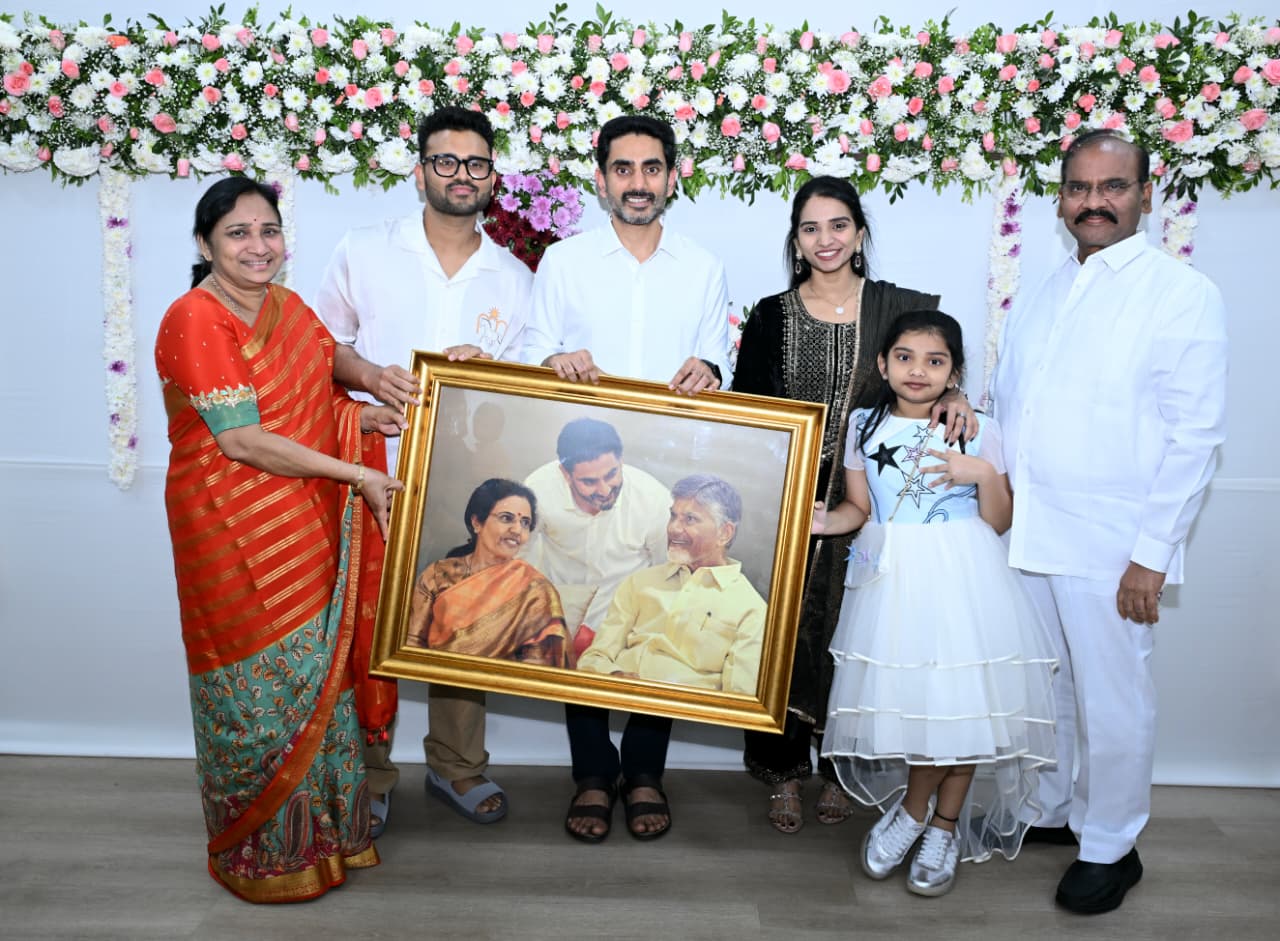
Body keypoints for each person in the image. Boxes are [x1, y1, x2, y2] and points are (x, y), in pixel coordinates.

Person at [990, 130, 1228, 914]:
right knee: (1051, 685)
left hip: (1114, 543)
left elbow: (1196, 436)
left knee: (1114, 697)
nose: (1094, 202)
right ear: (1060, 198)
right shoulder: (1046, 290)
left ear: (1146, 194)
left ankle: (1112, 845)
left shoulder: (1179, 293)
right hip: (1032, 532)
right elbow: (1013, 404)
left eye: (1113, 186)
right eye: (1079, 187)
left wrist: (1151, 555)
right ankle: (1057, 805)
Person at [155, 178, 403, 902]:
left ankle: (327, 839)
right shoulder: (195, 317)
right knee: (256, 680)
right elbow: (241, 440)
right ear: (205, 245)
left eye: (268, 230)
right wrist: (357, 471)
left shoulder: (285, 307)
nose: (258, 246)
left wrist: (366, 402)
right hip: (226, 521)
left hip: (303, 511)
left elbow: (326, 365)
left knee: (314, 669)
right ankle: (261, 852)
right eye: (238, 233)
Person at [731, 176, 974, 834]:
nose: (825, 240)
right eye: (810, 228)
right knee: (780, 635)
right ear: (796, 241)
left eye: (838, 225)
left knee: (860, 633)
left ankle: (841, 768)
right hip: (790, 502)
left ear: (860, 233)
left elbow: (932, 367)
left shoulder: (897, 311)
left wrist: (958, 397)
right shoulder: (771, 315)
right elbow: (748, 410)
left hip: (878, 501)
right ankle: (782, 771)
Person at [315, 106, 533, 832]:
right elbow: (323, 346)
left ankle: (457, 765)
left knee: (460, 616)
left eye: (476, 163)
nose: (460, 175)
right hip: (373, 464)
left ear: (492, 177)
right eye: (446, 161)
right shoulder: (364, 249)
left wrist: (490, 371)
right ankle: (369, 771)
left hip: (465, 476)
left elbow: (528, 390)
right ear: (420, 171)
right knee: (368, 621)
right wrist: (371, 377)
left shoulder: (513, 277)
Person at [518, 115, 730, 841]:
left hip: (668, 463)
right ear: (601, 178)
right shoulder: (564, 261)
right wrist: (554, 361)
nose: (638, 183)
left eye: (651, 168)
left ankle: (643, 772)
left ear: (673, 176)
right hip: (588, 461)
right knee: (581, 604)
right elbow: (532, 352)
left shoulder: (702, 265)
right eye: (623, 168)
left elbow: (717, 360)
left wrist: (711, 370)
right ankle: (591, 774)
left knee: (659, 609)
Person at [816, 309, 1058, 898]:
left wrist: (982, 473)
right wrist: (822, 520)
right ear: (882, 364)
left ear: (955, 372)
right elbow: (860, 508)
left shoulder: (974, 427)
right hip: (892, 580)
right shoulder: (863, 424)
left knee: (961, 704)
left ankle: (928, 821)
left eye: (935, 360)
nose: (917, 370)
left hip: (962, 577)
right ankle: (923, 817)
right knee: (922, 705)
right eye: (904, 357)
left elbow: (999, 520)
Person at [578, 474, 766, 695]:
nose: (674, 528)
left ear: (724, 533)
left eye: (690, 519)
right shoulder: (640, 582)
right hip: (615, 698)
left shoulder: (752, 609)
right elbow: (594, 658)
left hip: (681, 709)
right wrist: (615, 677)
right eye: (673, 516)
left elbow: (739, 696)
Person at [521, 417, 671, 636]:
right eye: (589, 482)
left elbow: (666, 573)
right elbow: (518, 560)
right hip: (554, 613)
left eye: (611, 474)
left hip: (623, 621)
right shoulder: (537, 491)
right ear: (565, 474)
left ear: (621, 461)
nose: (604, 490)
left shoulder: (654, 500)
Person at [406, 478, 569, 669]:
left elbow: (537, 666)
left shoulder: (536, 590)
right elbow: (411, 643)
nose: (518, 530)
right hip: (436, 680)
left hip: (504, 685)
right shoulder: (438, 575)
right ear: (477, 522)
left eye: (525, 523)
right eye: (506, 518)